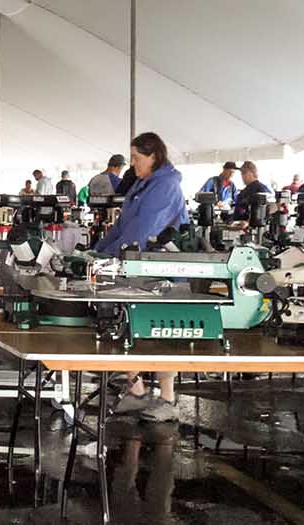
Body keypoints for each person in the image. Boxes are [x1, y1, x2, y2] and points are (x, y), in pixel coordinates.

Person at [95, 132, 187, 422]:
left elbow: (144, 230)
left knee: (161, 332)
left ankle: (168, 399)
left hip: (162, 268)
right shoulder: (142, 184)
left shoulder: (166, 186)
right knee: (128, 326)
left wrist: (111, 257)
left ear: (154, 157)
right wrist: (96, 251)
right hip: (137, 264)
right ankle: (136, 392)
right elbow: (122, 225)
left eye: (136, 158)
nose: (132, 163)